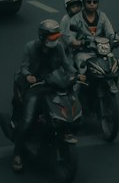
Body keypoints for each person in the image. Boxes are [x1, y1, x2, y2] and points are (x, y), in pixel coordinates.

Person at [11, 18, 73, 173]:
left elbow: (66, 65)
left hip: (52, 85)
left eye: (56, 36)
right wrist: (28, 76)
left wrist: (76, 74)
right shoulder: (30, 47)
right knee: (28, 120)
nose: (55, 39)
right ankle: (17, 154)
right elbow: (24, 66)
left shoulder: (58, 47)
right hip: (34, 86)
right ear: (42, 37)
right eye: (51, 37)